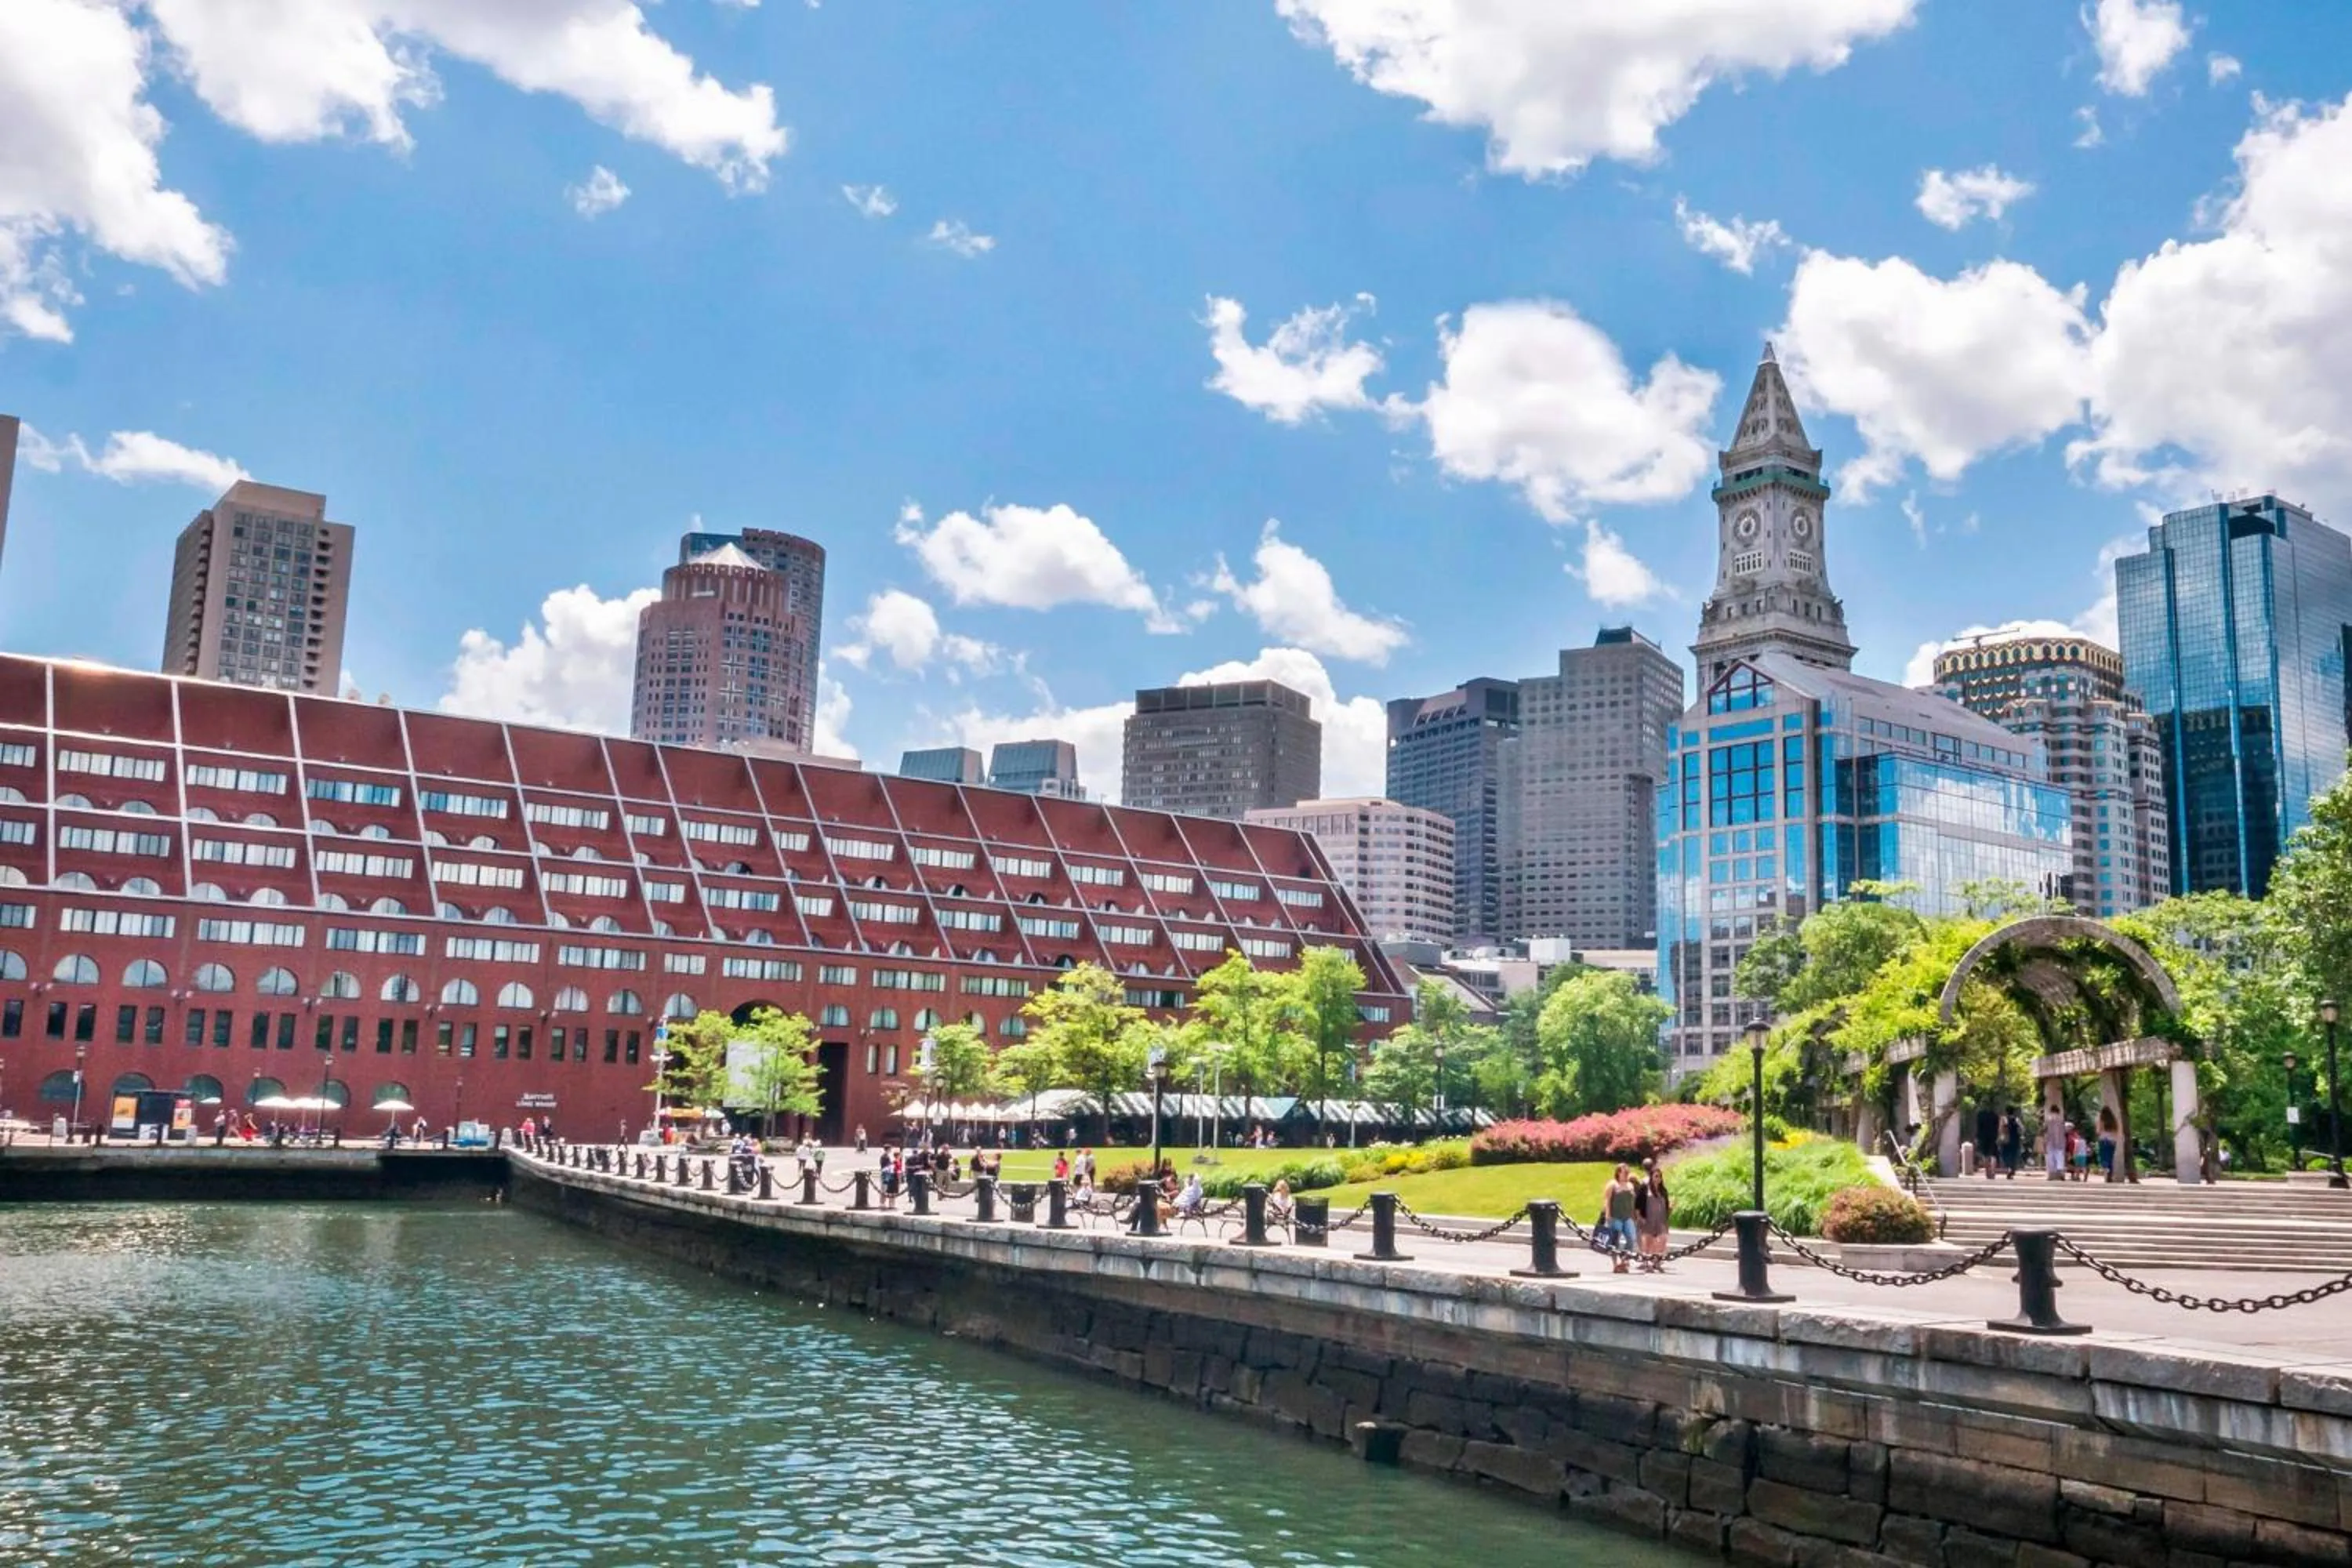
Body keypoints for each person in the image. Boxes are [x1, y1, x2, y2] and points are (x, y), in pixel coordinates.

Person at [1635, 1161, 1672, 1272]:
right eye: (1656, 1176)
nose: (1658, 1179)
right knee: (1648, 1242)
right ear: (1651, 1177)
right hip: (1648, 1219)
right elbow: (1638, 1204)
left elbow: (1666, 1205)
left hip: (1661, 1220)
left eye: (1660, 1176)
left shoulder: (1663, 1191)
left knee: (1662, 1240)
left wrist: (1669, 1211)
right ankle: (1647, 1263)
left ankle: (1657, 1262)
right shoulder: (1644, 1189)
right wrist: (1639, 1217)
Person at [1601, 1164, 1639, 1272]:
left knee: (1631, 1239)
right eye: (1624, 1171)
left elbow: (1632, 1201)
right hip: (1615, 1216)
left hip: (1628, 1217)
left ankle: (1624, 1262)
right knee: (1615, 1241)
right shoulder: (1612, 1184)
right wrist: (1608, 1215)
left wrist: (1634, 1215)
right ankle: (1615, 1264)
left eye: (1627, 1171)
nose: (1626, 1173)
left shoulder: (1630, 1185)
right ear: (1618, 1173)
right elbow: (1607, 1200)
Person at [1973, 1102, 2000, 1179]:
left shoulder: (1980, 1115)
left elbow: (1978, 1127)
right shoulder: (1995, 1115)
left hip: (1983, 1137)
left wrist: (1977, 1137)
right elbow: (1997, 1127)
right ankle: (1993, 1171)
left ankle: (1987, 1172)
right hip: (1993, 1137)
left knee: (1985, 1155)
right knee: (1993, 1155)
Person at [1998, 1105, 2024, 1180]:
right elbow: (2022, 1128)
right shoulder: (2017, 1119)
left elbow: (2000, 1129)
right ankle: (2012, 1169)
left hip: (2006, 1140)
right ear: (2013, 1112)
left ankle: (2009, 1168)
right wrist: (2019, 1134)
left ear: (2006, 1112)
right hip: (2015, 1139)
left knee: (2005, 1155)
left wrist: (2001, 1136)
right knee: (2014, 1155)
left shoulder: (2004, 1119)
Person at [2043, 1102, 2066, 1180]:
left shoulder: (2048, 1119)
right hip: (2060, 1141)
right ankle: (2061, 1172)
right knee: (2059, 1156)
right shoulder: (2061, 1119)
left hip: (2050, 1140)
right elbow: (2063, 1131)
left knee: (2050, 1157)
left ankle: (2051, 1175)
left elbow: (2045, 1130)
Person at [2097, 1105, 2118, 1181]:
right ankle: (2110, 1174)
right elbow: (2116, 1132)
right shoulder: (2114, 1121)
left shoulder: (2101, 1120)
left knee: (2104, 1158)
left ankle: (2106, 1174)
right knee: (2110, 1158)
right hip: (2112, 1141)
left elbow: (2098, 1131)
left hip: (2104, 1140)